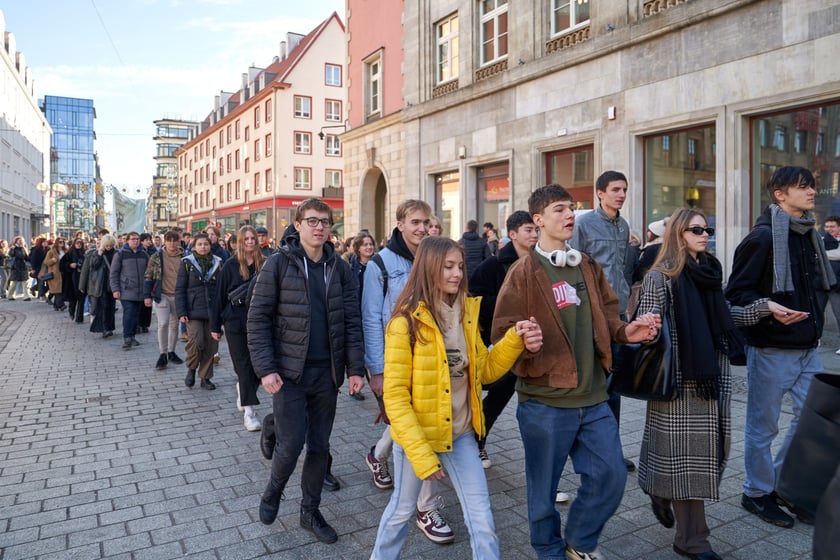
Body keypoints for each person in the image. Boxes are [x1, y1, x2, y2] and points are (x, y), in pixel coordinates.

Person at [492, 184, 660, 560]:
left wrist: (627, 331)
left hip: (595, 396)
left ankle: (579, 542)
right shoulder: (523, 272)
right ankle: (549, 552)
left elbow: (610, 316)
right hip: (545, 403)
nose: (569, 215)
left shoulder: (585, 264)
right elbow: (502, 332)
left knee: (612, 476)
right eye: (558, 210)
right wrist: (523, 341)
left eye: (571, 208)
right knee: (543, 492)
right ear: (538, 220)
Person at [371, 236, 543, 559]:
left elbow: (486, 371)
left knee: (482, 520)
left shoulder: (465, 314)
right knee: (400, 513)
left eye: (461, 266)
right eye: (448, 266)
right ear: (429, 268)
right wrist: (422, 455)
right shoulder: (404, 322)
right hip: (418, 437)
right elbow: (395, 398)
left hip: (462, 434)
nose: (457, 274)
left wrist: (515, 340)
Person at [248, 198, 365, 544]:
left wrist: (355, 368)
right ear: (297, 226)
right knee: (291, 445)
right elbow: (257, 320)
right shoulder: (278, 265)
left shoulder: (339, 268)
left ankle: (309, 511)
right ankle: (273, 492)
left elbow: (352, 322)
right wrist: (266, 369)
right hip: (288, 374)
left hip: (326, 375)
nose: (319, 227)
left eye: (325, 222)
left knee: (319, 446)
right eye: (312, 221)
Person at [636, 208, 750, 560]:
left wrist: (765, 309)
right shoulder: (660, 277)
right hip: (679, 382)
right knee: (691, 463)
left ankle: (660, 489)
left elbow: (725, 314)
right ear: (678, 234)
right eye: (696, 229)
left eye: (707, 228)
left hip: (709, 379)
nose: (705, 234)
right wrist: (646, 326)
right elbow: (645, 329)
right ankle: (693, 540)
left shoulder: (709, 273)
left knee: (693, 461)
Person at [725, 166, 833, 528]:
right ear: (779, 194)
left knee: (814, 422)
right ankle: (756, 492)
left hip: (808, 347)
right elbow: (735, 298)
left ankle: (781, 484)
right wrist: (767, 308)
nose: (811, 192)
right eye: (802, 187)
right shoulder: (762, 238)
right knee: (763, 427)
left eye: (812, 186)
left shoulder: (808, 234)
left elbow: (819, 288)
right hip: (771, 347)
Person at [362, 199, 456, 544]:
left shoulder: (432, 258)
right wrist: (377, 369)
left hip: (432, 362)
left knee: (422, 426)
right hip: (397, 363)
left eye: (426, 222)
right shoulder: (380, 265)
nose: (421, 228)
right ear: (399, 223)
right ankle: (423, 507)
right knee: (418, 430)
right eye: (415, 222)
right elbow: (371, 318)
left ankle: (378, 455)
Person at [570, 170, 636, 472]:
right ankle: (589, 451)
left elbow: (621, 270)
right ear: (600, 193)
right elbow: (572, 268)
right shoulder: (583, 224)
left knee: (616, 385)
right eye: (614, 189)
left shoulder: (623, 226)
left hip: (618, 314)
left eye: (623, 189)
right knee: (596, 384)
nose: (620, 194)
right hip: (591, 314)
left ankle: (612, 451)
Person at [468, 210, 539, 469]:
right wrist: (507, 305)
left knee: (530, 404)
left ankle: (543, 464)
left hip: (534, 345)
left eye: (535, 230)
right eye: (528, 230)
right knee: (496, 394)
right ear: (513, 234)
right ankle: (477, 442)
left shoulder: (541, 263)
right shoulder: (492, 266)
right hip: (497, 344)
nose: (534, 234)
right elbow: (474, 301)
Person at [211, 225, 266, 430]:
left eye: (253, 238)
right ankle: (250, 412)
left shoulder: (264, 264)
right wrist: (215, 325)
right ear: (240, 242)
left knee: (257, 367)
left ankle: (243, 390)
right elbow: (219, 297)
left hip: (259, 322)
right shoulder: (230, 265)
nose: (251, 242)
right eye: (247, 239)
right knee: (243, 367)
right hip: (234, 321)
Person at [175, 232, 222, 390]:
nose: (203, 247)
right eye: (200, 244)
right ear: (194, 246)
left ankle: (205, 377)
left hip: (213, 311)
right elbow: (180, 289)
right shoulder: (187, 263)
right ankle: (191, 369)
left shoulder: (217, 263)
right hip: (193, 310)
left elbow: (223, 288)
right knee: (196, 341)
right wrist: (181, 312)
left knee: (211, 345)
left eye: (206, 244)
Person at [144, 230, 185, 371]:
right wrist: (147, 296)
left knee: (175, 325)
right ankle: (163, 354)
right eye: (169, 241)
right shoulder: (156, 256)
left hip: (179, 295)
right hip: (162, 295)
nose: (172, 243)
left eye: (175, 241)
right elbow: (148, 276)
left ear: (178, 242)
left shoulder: (184, 257)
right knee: (163, 323)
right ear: (165, 242)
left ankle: (171, 352)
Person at [346, 231, 377, 402]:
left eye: (371, 244)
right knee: (358, 350)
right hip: (356, 314)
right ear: (358, 248)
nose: (369, 247)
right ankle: (355, 384)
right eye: (365, 244)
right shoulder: (351, 268)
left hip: (372, 314)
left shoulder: (378, 265)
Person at [110, 232, 150, 350]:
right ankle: (127, 337)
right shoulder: (120, 254)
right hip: (126, 290)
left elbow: (149, 272)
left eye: (137, 239)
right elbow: (114, 273)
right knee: (129, 313)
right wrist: (115, 289)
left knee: (135, 315)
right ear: (127, 241)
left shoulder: (144, 254)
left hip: (141, 290)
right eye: (133, 239)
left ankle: (132, 336)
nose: (136, 241)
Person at [81, 234, 117, 338]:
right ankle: (104, 328)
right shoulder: (97, 253)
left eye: (110, 245)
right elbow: (93, 265)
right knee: (103, 307)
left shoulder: (116, 254)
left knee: (111, 307)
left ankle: (109, 327)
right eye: (107, 245)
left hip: (112, 284)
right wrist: (99, 255)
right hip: (101, 284)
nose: (109, 247)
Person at [820, 215, 840, 353]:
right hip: (819, 283)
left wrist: (821, 254)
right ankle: (815, 339)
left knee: (839, 314)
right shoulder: (821, 240)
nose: (829, 229)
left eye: (832, 226)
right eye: (826, 226)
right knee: (816, 312)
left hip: (837, 284)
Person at [633, 218, 668, 283]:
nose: (647, 233)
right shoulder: (666, 246)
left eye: (649, 231)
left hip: (651, 281)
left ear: (655, 233)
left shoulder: (651, 249)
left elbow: (642, 268)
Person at [66, 237, 87, 323]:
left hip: (82, 277)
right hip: (72, 278)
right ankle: (71, 311)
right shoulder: (69, 253)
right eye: (77, 243)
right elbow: (64, 264)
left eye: (80, 243)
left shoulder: (85, 253)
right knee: (73, 299)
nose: (78, 244)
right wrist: (70, 265)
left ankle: (79, 317)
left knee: (81, 297)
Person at [44, 237, 66, 311]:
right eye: (60, 242)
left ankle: (56, 305)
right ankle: (61, 304)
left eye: (62, 242)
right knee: (57, 290)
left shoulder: (65, 251)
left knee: (60, 289)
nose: (61, 243)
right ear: (56, 243)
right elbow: (46, 262)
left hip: (64, 272)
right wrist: (52, 260)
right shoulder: (51, 252)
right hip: (55, 273)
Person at [7, 236, 31, 301]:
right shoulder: (14, 248)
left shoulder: (24, 248)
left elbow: (26, 258)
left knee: (25, 282)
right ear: (16, 241)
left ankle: (26, 296)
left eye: (22, 240)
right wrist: (12, 249)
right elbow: (11, 255)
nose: (21, 242)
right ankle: (10, 295)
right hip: (15, 267)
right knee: (14, 282)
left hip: (23, 267)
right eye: (19, 240)